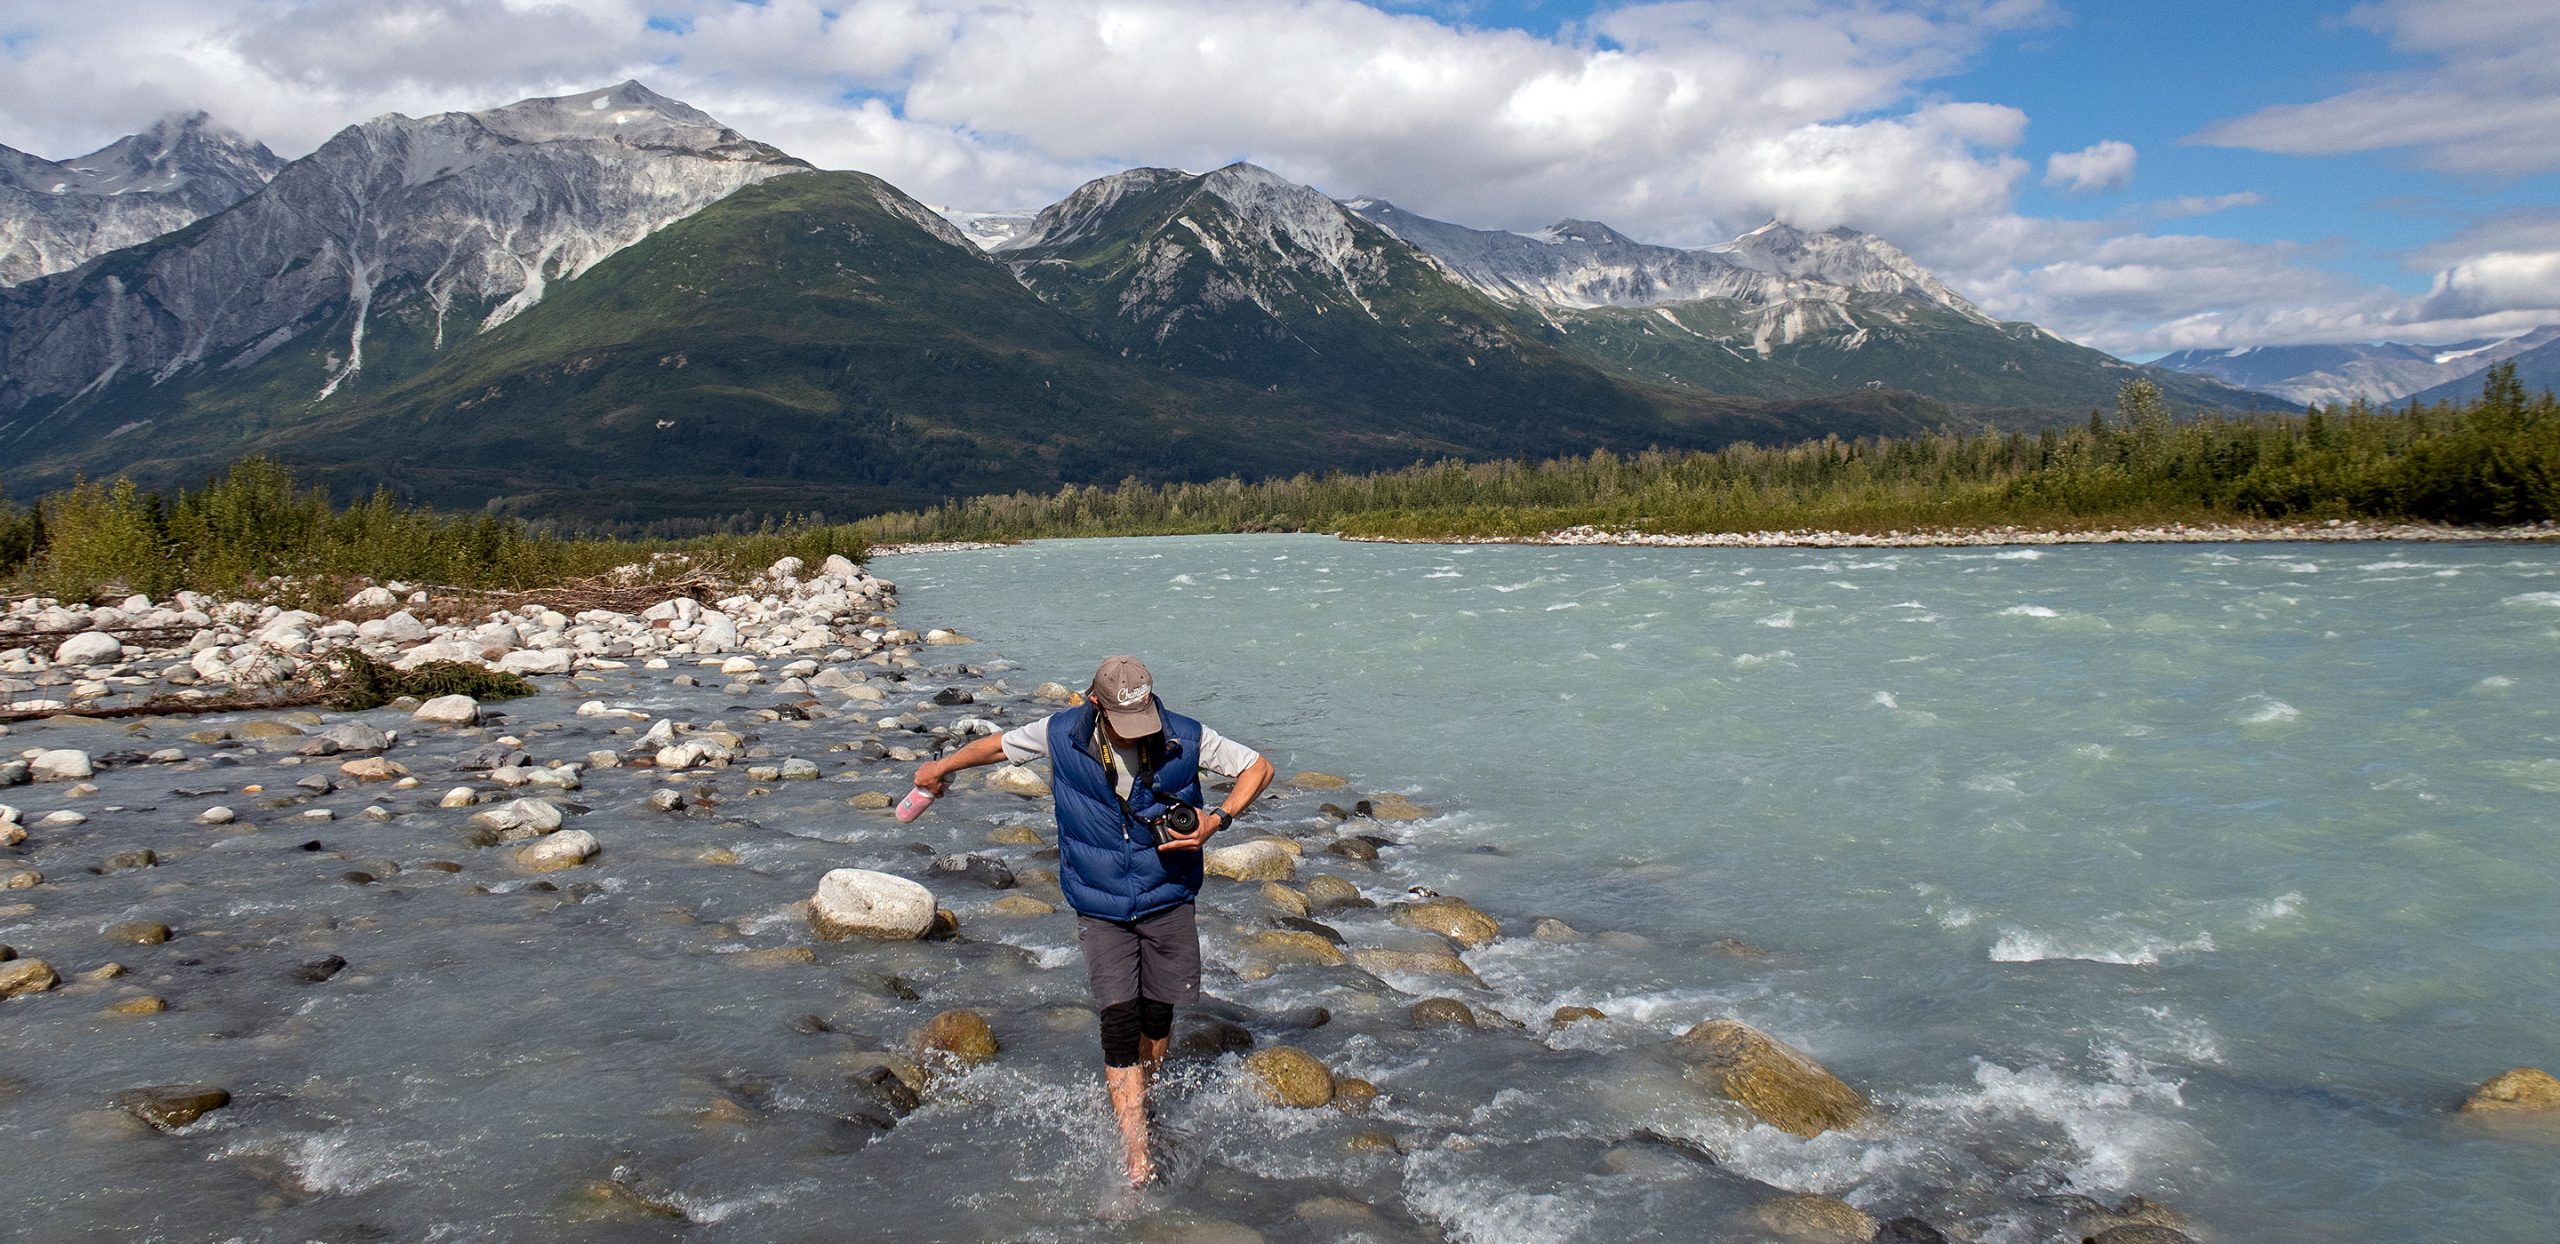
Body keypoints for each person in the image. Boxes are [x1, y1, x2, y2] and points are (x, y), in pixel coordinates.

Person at [911, 654, 1274, 1187]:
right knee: (1119, 1023)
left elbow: (1258, 767)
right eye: (1124, 725)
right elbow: (995, 746)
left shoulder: (1186, 736)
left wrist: (1215, 821)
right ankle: (1136, 1152)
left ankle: (1143, 1099)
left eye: (1142, 721)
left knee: (1157, 1017)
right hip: (1099, 903)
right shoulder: (1060, 733)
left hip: (1168, 895)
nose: (1135, 736)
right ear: (1095, 704)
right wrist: (939, 768)